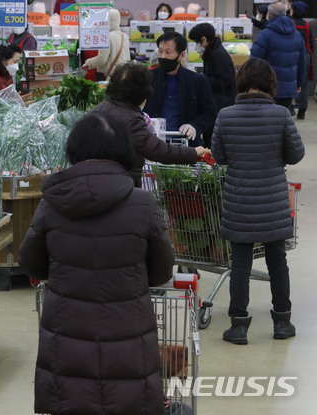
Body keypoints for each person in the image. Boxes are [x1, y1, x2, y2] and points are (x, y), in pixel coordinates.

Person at [19, 111, 173, 415]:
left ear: (75, 149)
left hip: (67, 333)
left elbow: (31, 263)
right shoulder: (143, 204)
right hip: (127, 333)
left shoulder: (53, 202)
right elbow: (161, 272)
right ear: (123, 151)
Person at [211, 58, 304, 345]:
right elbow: (296, 154)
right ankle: (282, 322)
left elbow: (219, 155)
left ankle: (238, 325)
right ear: (270, 84)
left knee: (240, 263)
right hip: (273, 201)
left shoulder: (225, 115)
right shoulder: (281, 115)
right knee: (278, 261)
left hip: (239, 201)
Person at [90, 63, 210, 186]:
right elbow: (159, 150)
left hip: (93, 180)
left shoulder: (97, 110)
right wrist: (193, 153)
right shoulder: (132, 119)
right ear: (142, 94)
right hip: (118, 184)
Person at [143, 32, 217, 148]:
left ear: (181, 55)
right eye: (160, 51)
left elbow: (210, 113)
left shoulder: (197, 81)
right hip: (152, 144)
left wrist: (194, 126)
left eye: (168, 52)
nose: (163, 57)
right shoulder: (147, 78)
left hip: (186, 145)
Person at [250, 1, 306, 112]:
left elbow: (254, 63)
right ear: (285, 13)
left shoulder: (265, 35)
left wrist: (252, 85)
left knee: (268, 120)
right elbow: (301, 62)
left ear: (269, 15)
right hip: (289, 88)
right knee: (283, 119)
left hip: (268, 88)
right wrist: (299, 83)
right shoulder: (297, 35)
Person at [188, 23, 236, 146]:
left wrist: (203, 81)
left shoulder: (218, 54)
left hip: (221, 104)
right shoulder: (211, 53)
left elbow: (226, 80)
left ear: (204, 39)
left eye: (197, 42)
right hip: (215, 102)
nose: (197, 46)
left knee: (214, 139)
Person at [81, 8, 130, 81]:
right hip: (123, 77)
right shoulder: (124, 36)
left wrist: (88, 63)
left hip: (110, 78)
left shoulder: (105, 36)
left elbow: (102, 59)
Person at [290, 1, 313, 119]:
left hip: (292, 54)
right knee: (303, 84)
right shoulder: (307, 25)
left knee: (289, 81)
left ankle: (289, 107)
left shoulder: (290, 23)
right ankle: (302, 111)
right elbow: (310, 43)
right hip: (306, 55)